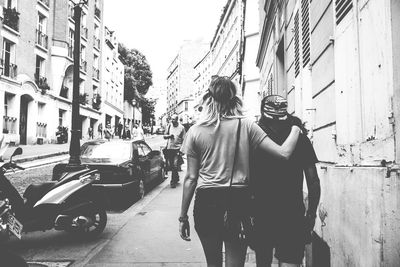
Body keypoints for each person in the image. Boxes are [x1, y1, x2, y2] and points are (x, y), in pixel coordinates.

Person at [179, 76, 302, 267]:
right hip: (238, 202)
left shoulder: (195, 131)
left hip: (206, 203)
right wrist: (295, 128)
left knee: (213, 263)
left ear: (208, 99)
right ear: (234, 99)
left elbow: (191, 178)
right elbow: (284, 153)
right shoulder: (247, 126)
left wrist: (183, 216)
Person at [252, 95, 321, 267]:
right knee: (291, 261)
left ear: (262, 113)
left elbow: (245, 177)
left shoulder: (255, 139)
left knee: (263, 262)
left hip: (261, 213)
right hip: (292, 213)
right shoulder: (300, 139)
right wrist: (311, 213)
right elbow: (313, 181)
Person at [164, 114, 186, 188]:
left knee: (175, 165)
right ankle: (176, 177)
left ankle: (172, 182)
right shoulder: (169, 126)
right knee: (171, 165)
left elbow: (184, 139)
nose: (172, 121)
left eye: (173, 119)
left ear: (177, 120)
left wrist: (182, 150)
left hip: (177, 149)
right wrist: (169, 136)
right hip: (170, 148)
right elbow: (164, 136)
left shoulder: (181, 128)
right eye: (171, 119)